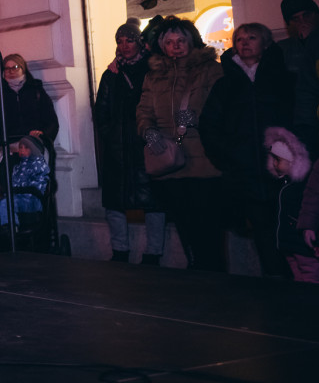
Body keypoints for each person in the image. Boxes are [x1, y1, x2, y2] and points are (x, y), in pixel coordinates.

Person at [200, 22, 296, 277]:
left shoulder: (283, 80)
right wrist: (229, 156)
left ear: (266, 44)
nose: (244, 43)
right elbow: (209, 126)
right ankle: (276, 284)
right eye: (239, 39)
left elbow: (297, 119)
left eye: (251, 37)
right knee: (263, 234)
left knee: (290, 230)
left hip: (283, 173)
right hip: (245, 173)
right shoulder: (225, 86)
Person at [135, 16, 225, 271]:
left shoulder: (210, 69)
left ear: (191, 41)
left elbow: (224, 108)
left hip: (204, 162)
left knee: (209, 226)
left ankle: (214, 274)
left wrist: (198, 119)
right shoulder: (154, 76)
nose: (175, 46)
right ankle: (196, 271)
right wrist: (149, 133)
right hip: (170, 163)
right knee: (184, 224)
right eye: (169, 42)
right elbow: (143, 112)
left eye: (181, 40)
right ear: (162, 46)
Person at [93, 20, 165, 265]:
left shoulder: (153, 69)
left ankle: (153, 252)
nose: (124, 46)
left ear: (139, 43)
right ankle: (120, 250)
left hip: (147, 144)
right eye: (120, 41)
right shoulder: (111, 74)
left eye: (129, 40)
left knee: (153, 201)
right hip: (118, 147)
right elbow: (101, 111)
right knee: (115, 202)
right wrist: (110, 135)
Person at [261, 127, 316, 282]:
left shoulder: (303, 186)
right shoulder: (282, 184)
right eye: (273, 158)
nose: (274, 163)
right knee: (297, 278)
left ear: (293, 162)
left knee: (311, 276)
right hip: (288, 244)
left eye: (278, 160)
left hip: (303, 246)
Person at [276, 0, 319, 151]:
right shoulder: (282, 49)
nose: (303, 22)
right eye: (296, 18)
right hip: (300, 125)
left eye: (306, 15)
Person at [0, 53, 59, 146]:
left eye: (15, 67)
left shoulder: (35, 90)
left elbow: (51, 121)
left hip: (33, 144)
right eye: (7, 68)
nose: (11, 71)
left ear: (23, 69)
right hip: (8, 146)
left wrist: (43, 136)